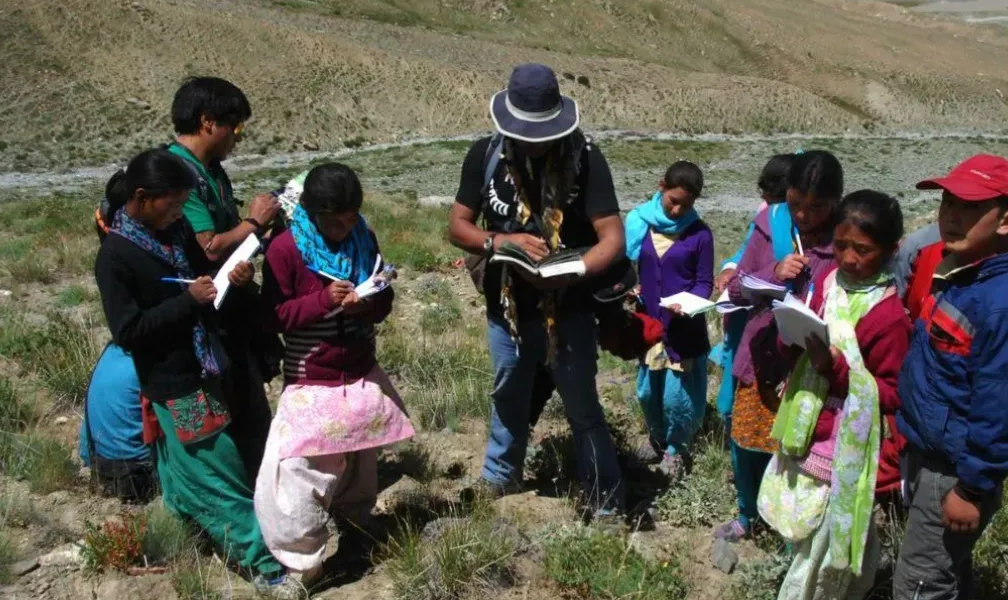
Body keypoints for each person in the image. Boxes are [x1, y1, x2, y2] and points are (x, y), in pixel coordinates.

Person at [93, 148, 282, 581]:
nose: (180, 213)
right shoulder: (115, 258)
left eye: (182, 204)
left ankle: (179, 539)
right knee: (217, 468)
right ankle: (265, 566)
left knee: (184, 469)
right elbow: (128, 331)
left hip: (207, 363)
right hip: (175, 382)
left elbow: (205, 269)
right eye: (172, 204)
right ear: (141, 197)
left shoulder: (173, 231)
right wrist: (187, 301)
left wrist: (232, 278)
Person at [447, 63, 626, 515]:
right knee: (509, 392)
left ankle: (604, 496)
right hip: (505, 307)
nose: (532, 141)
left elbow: (613, 240)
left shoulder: (586, 159)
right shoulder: (484, 156)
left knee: (581, 403)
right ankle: (501, 475)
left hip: (570, 309)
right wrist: (499, 241)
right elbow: (458, 225)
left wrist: (574, 270)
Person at [255, 163, 415, 589]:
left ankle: (357, 536)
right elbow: (272, 317)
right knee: (297, 474)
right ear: (310, 212)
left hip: (361, 372)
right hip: (312, 378)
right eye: (334, 220)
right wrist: (322, 301)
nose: (345, 227)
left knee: (360, 465)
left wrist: (370, 304)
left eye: (350, 217)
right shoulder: (286, 250)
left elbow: (383, 298)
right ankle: (303, 566)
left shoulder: (363, 237)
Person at [892, 155, 1008, 600]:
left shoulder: (1003, 307)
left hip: (953, 471)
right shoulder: (957, 273)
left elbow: (1004, 406)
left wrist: (973, 488)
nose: (951, 217)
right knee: (948, 569)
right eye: (947, 203)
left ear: (1007, 219)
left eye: (970, 208)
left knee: (919, 584)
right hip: (929, 452)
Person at [757, 190, 912, 599]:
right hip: (810, 428)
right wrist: (792, 339)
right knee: (809, 523)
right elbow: (812, 339)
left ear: (890, 250)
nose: (848, 258)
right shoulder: (831, 284)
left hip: (845, 448)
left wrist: (834, 367)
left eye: (862, 250)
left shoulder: (888, 316)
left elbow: (893, 393)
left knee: (825, 536)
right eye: (840, 245)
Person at [715, 151, 844, 542]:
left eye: (817, 207)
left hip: (809, 367)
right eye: (797, 203)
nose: (804, 215)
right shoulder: (770, 223)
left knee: (795, 453)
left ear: (837, 201)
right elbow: (736, 286)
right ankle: (746, 514)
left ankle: (786, 525)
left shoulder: (844, 241)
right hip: (760, 356)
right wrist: (773, 272)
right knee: (746, 444)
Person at [167, 76, 283, 480]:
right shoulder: (178, 173)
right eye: (235, 127)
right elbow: (210, 246)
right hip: (200, 317)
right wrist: (254, 222)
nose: (238, 137)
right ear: (207, 122)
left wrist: (259, 234)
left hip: (228, 306)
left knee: (247, 403)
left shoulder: (211, 171)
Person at [625, 161, 714, 478]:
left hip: (682, 331)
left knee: (677, 398)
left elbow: (704, 282)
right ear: (661, 186)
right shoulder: (640, 224)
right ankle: (657, 438)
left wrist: (688, 304)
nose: (677, 210)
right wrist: (630, 289)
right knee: (648, 392)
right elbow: (631, 266)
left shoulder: (700, 234)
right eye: (673, 201)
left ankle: (676, 449)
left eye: (686, 205)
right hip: (649, 327)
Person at [713, 154, 800, 434]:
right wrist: (730, 269)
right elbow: (746, 249)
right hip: (747, 313)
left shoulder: (800, 222)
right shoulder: (767, 216)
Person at [80, 186, 156, 503]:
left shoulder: (111, 351)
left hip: (99, 465)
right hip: (137, 473)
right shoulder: (149, 359)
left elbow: (85, 447)